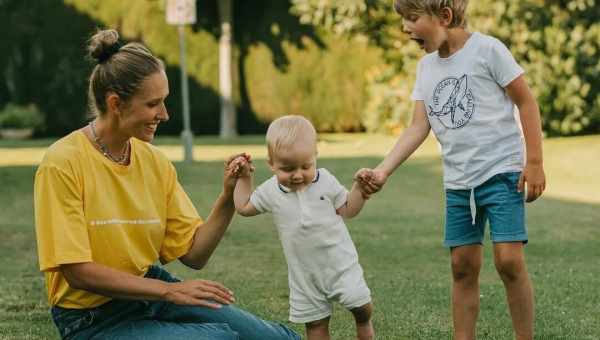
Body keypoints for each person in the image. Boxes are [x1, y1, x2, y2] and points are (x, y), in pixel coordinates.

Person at [33, 29, 300, 340]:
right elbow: (77, 272)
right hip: (92, 320)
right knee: (219, 338)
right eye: (153, 104)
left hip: (148, 290)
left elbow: (195, 255)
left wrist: (228, 195)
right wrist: (168, 292)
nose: (164, 114)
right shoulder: (62, 163)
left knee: (276, 339)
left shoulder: (154, 161)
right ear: (116, 103)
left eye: (164, 101)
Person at [355, 1, 546, 339]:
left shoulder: (488, 50)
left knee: (509, 262)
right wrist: (382, 171)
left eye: (412, 18)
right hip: (459, 183)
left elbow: (526, 102)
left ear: (443, 17)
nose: (405, 28)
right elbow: (418, 127)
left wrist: (534, 162)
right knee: (462, 267)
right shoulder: (426, 68)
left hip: (502, 172)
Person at [229, 115, 375, 340]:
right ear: (271, 164)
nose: (298, 175)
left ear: (315, 156)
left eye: (306, 166)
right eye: (287, 169)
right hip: (304, 276)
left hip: (340, 265)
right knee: (315, 324)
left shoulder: (325, 181)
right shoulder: (271, 191)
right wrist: (245, 177)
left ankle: (364, 324)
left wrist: (359, 190)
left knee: (361, 306)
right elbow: (244, 206)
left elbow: (348, 209)